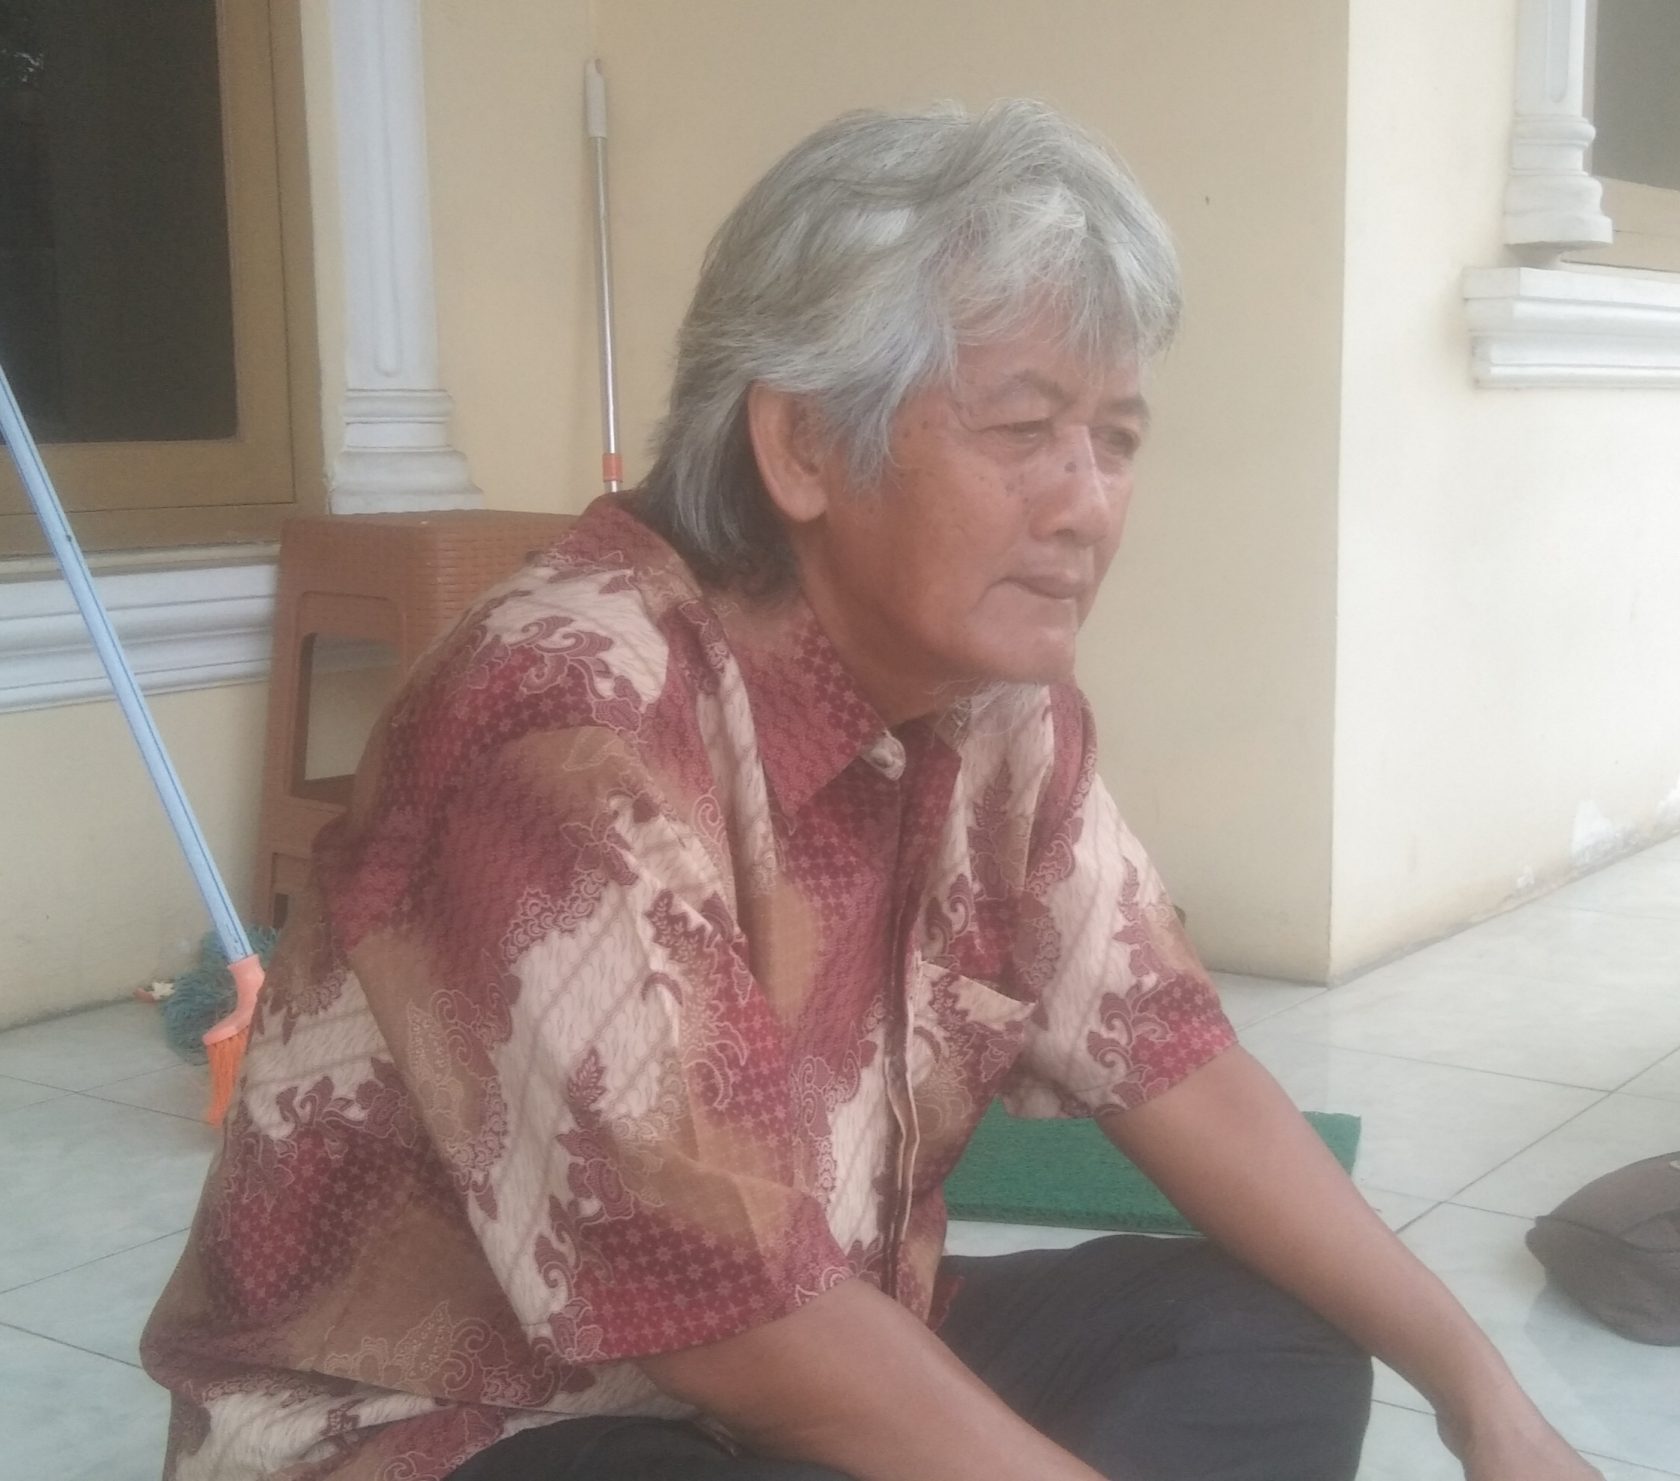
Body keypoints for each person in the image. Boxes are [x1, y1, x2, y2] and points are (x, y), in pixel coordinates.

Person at [142, 101, 1599, 1481]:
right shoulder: (568, 712)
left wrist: (1481, 1392)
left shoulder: (1001, 710)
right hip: (462, 1424)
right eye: (1023, 429)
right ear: (803, 445)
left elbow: (1176, 1060)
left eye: (1116, 438)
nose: (1087, 501)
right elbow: (728, 1314)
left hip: (796, 1351)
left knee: (1272, 1341)